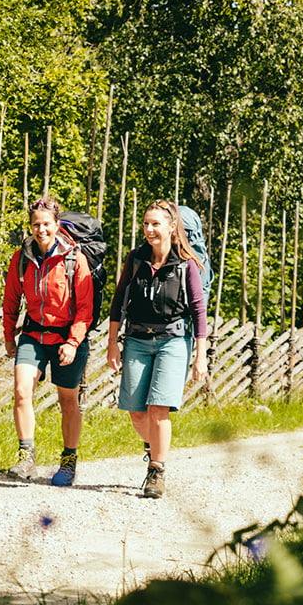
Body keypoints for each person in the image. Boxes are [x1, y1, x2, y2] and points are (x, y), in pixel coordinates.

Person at [107, 199, 208, 499]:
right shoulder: (136, 259)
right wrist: (112, 344)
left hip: (173, 341)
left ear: (171, 227)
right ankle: (154, 447)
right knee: (137, 413)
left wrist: (200, 357)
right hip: (137, 339)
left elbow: (199, 311)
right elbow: (118, 302)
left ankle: (156, 471)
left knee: (158, 409)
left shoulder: (186, 265)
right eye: (146, 223)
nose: (149, 229)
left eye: (156, 224)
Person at [3, 196, 94, 486]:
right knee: (21, 390)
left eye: (46, 224)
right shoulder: (21, 259)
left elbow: (85, 309)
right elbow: (11, 301)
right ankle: (26, 456)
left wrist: (73, 342)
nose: (41, 230)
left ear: (57, 225)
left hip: (67, 337)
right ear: (30, 227)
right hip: (33, 334)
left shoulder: (74, 259)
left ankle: (68, 461)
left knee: (67, 399)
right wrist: (8, 336)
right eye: (35, 225)